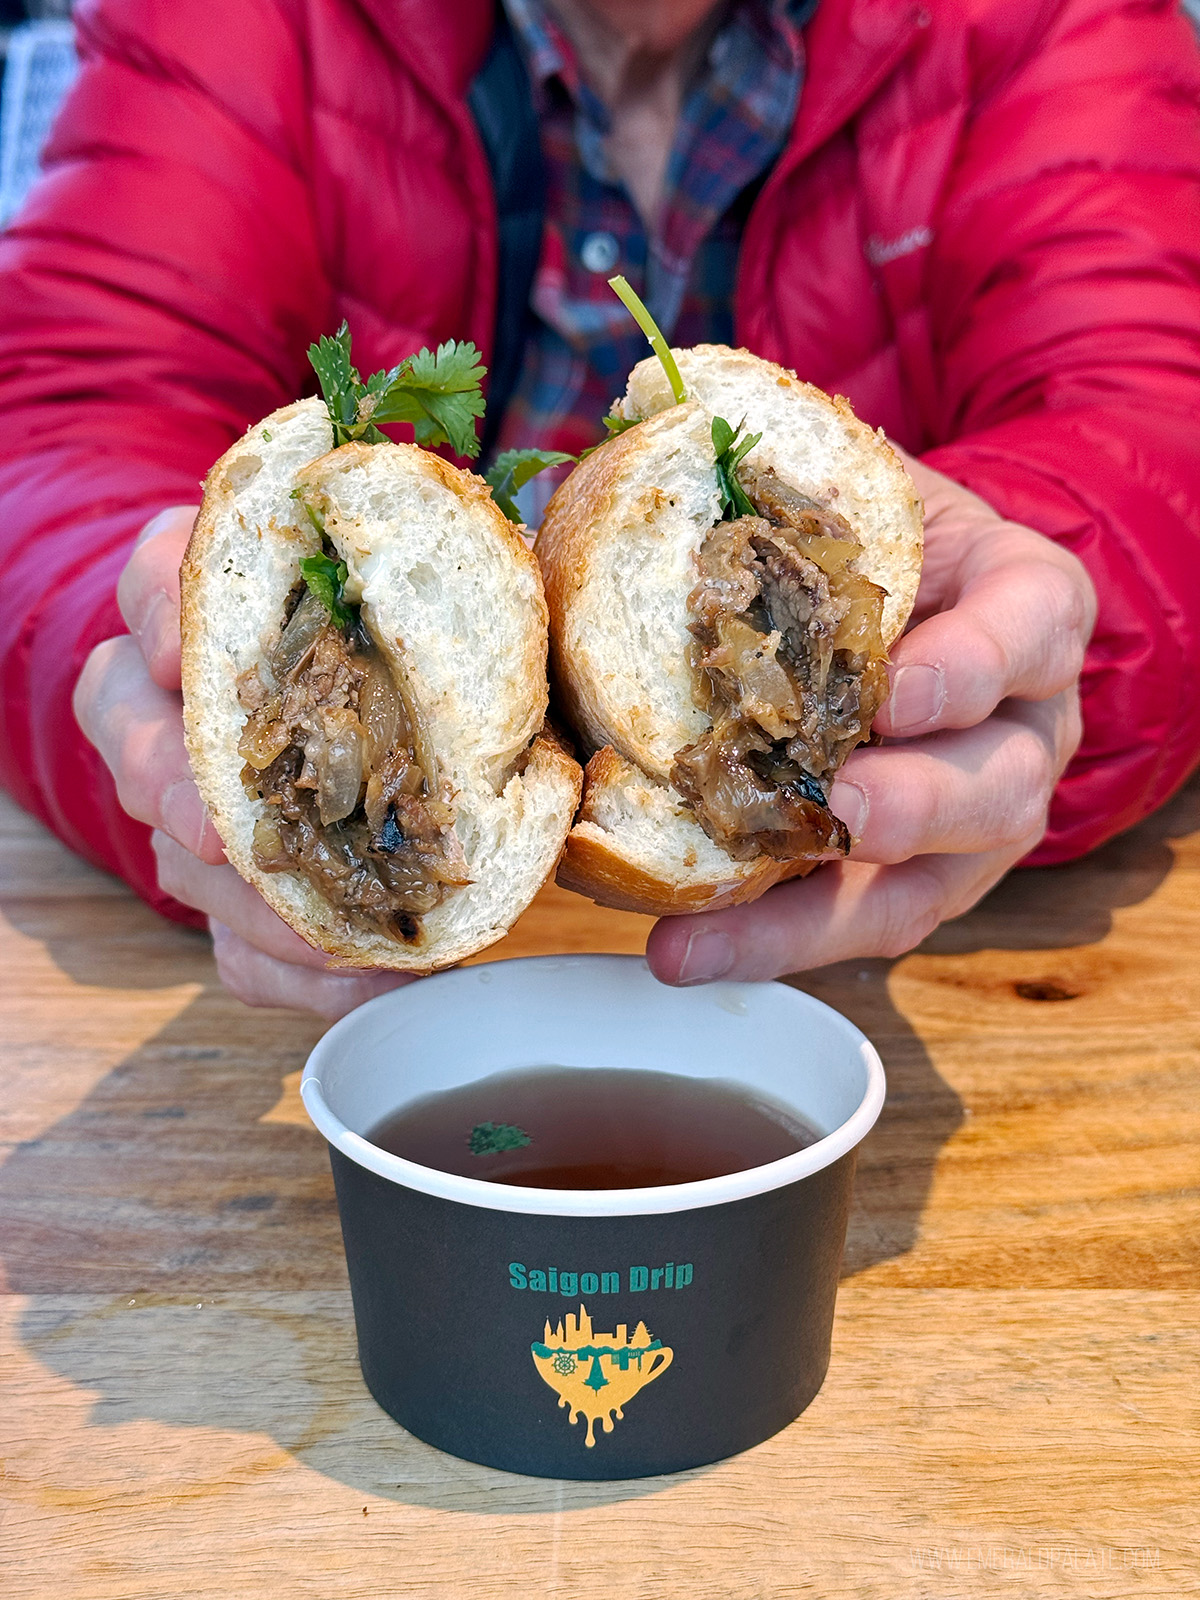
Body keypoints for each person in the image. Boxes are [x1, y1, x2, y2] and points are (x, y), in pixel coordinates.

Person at [1, 0, 1198, 1019]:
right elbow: (56, 438)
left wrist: (1031, 644)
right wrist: (132, 684)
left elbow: (1156, 427)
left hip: (878, 1017)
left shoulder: (1045, 17)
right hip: (353, 1062)